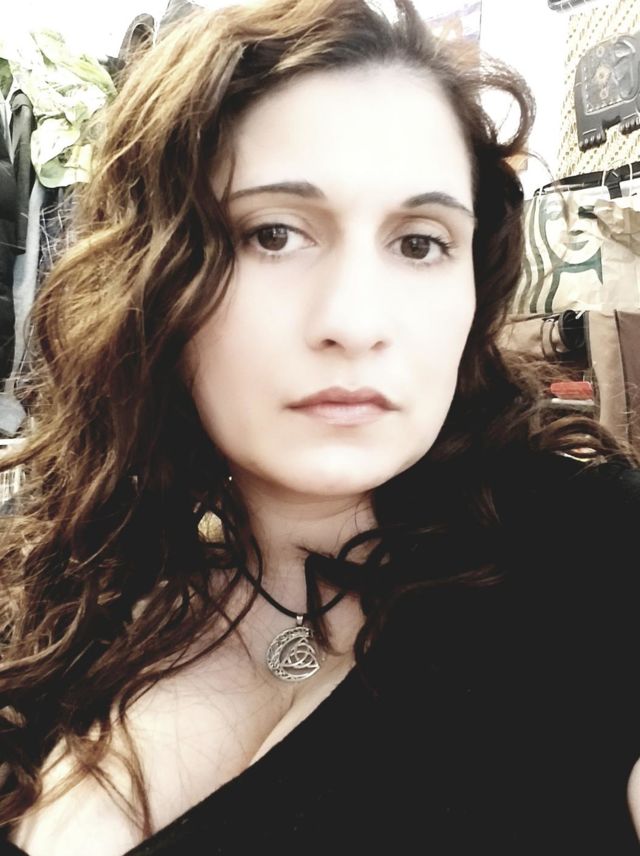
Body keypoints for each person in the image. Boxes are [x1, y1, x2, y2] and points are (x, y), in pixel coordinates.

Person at [0, 0, 639, 853]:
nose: (354, 321)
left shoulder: (594, 552)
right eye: (273, 234)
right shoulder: (72, 591)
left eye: (420, 242)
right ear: (152, 276)